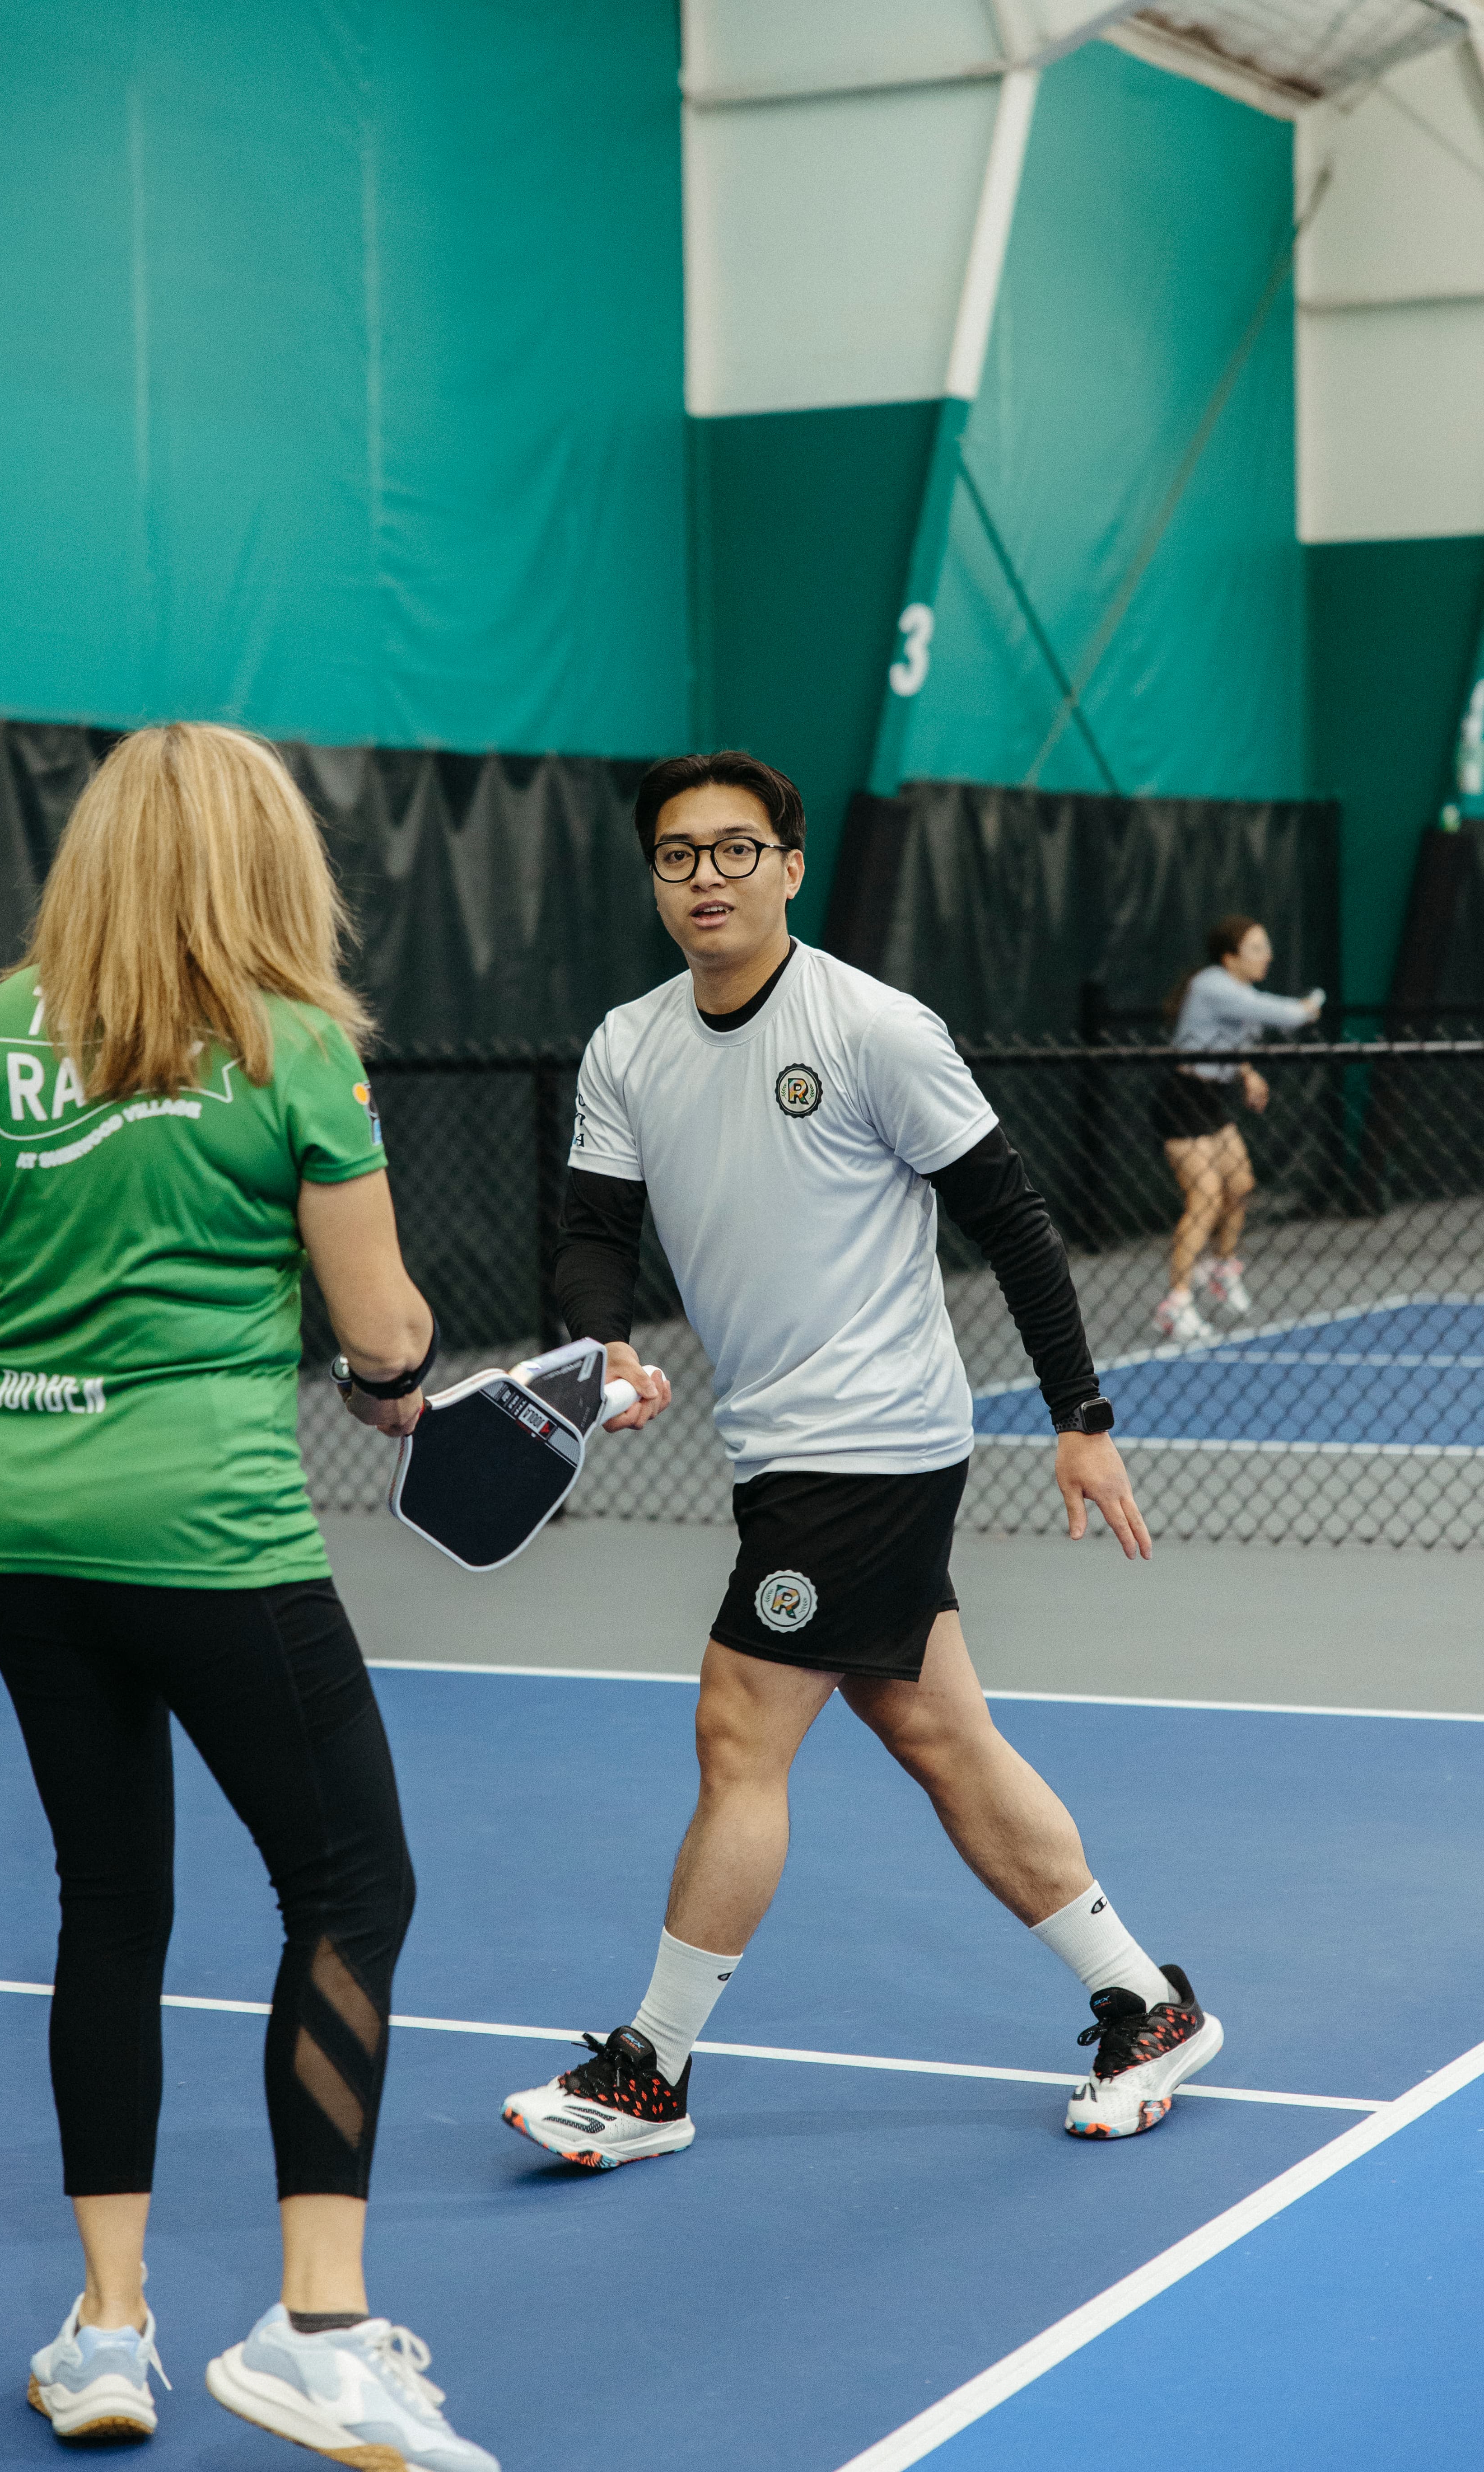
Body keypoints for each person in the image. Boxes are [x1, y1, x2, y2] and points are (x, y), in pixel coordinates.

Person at [0, 725, 497, 2472]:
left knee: (110, 1901)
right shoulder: (297, 1044)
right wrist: (408, 1371)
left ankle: (108, 2328)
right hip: (210, 1529)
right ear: (263, 862)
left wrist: (30, 1399)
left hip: (20, 1519)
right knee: (352, 1880)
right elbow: (381, 1338)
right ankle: (314, 2327)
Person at [500, 749, 1221, 2172]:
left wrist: (1081, 1418)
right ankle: (1144, 2002)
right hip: (777, 1444)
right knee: (939, 1735)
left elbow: (1010, 1218)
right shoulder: (628, 1044)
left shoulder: (874, 1027)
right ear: (654, 879)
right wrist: (610, 1349)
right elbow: (593, 1235)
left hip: (875, 1439)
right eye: (676, 856)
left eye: (731, 849)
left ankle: (650, 2070)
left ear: (788, 863)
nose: (704, 876)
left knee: (737, 1729)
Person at [1151, 917, 1324, 1343]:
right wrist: (1307, 1007)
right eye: (1257, 949)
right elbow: (1278, 1014)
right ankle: (1175, 1304)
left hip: (1214, 1099)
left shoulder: (1235, 991)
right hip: (1183, 1100)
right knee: (1204, 1200)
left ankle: (1221, 1268)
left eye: (1267, 947)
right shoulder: (1213, 984)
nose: (1268, 956)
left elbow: (1227, 1038)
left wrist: (1246, 1073)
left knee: (1241, 1185)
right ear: (1231, 958)